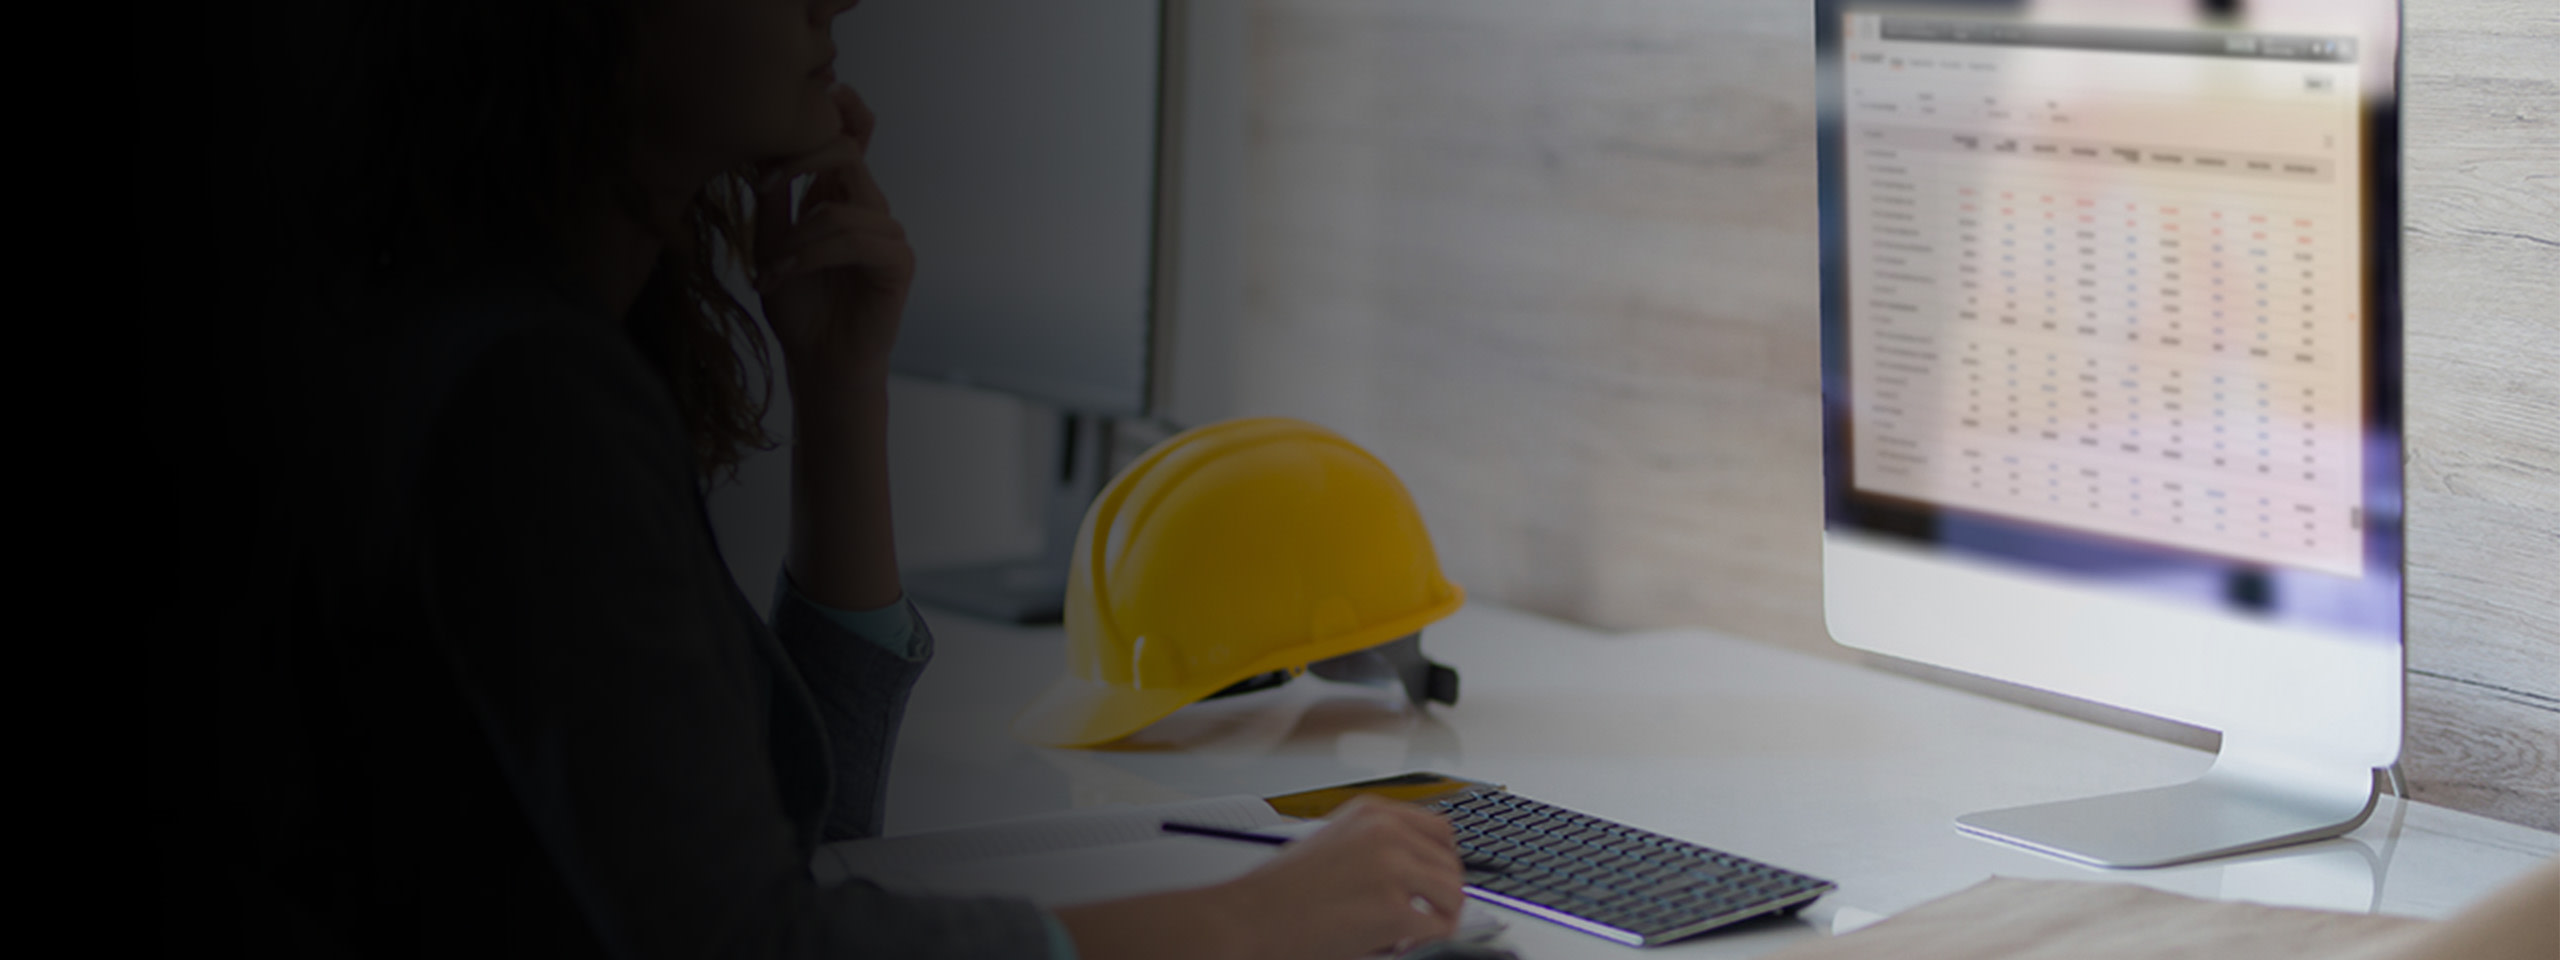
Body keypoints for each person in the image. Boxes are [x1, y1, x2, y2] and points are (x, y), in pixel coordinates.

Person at [218, 0, 1468, 957]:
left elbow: (794, 827)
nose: (841, 1)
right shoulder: (521, 394)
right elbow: (750, 941)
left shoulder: (511, 335)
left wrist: (839, 385)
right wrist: (1248, 922)